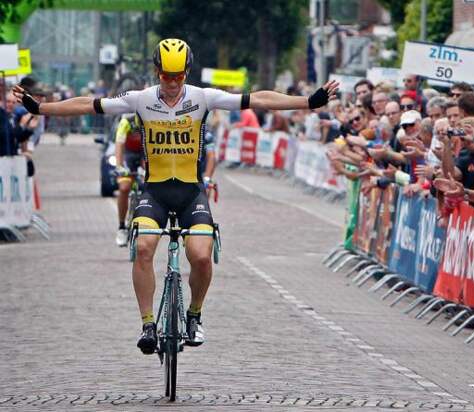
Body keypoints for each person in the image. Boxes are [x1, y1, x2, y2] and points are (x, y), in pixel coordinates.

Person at [13, 38, 338, 355]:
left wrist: (308, 102)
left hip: (189, 193)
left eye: (178, 76)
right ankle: (148, 325)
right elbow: (89, 103)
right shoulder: (140, 99)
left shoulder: (203, 97)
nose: (172, 83)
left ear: (187, 72)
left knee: (199, 255)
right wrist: (40, 108)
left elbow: (258, 100)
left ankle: (194, 314)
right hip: (154, 191)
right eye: (167, 76)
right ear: (158, 72)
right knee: (143, 249)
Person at [114, 113, 145, 247]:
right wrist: (119, 166)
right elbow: (119, 143)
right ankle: (122, 227)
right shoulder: (126, 120)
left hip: (146, 154)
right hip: (128, 155)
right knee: (124, 187)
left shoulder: (156, 117)